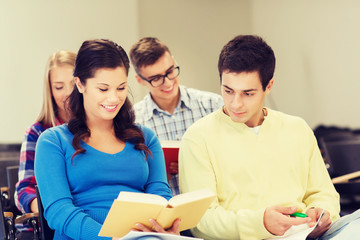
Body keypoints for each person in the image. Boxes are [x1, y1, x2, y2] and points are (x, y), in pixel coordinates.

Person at [179, 35, 360, 239]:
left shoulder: (297, 128)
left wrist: (321, 213)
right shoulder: (197, 138)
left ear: (269, 86)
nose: (235, 103)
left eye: (248, 93)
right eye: (228, 90)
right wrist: (261, 223)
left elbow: (323, 193)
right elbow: (201, 221)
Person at [34, 39, 181, 240]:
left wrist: (164, 227)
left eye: (120, 88)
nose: (113, 99)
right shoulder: (52, 141)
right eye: (103, 89)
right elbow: (59, 211)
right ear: (79, 84)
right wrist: (111, 239)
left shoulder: (146, 138)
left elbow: (160, 197)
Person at [129, 37, 223, 195]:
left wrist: (196, 164)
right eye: (156, 78)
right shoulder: (133, 121)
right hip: (163, 212)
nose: (167, 83)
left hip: (211, 209)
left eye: (170, 71)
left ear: (174, 61)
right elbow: (131, 179)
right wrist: (157, 173)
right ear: (140, 80)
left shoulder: (213, 105)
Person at [14, 50, 76, 240]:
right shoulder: (38, 132)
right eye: (59, 87)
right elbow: (23, 189)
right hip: (52, 222)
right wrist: (46, 207)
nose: (68, 93)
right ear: (49, 90)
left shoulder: (98, 126)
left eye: (73, 84)